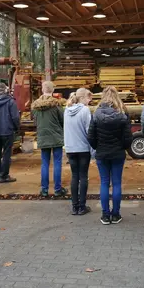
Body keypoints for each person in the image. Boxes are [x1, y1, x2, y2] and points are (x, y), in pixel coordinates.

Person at [88, 86, 132, 225]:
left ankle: (105, 215)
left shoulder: (96, 114)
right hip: (118, 153)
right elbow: (128, 137)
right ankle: (116, 214)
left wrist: (97, 147)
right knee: (117, 183)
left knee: (104, 183)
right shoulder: (122, 115)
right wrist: (123, 147)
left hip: (102, 153)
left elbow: (91, 136)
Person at [32, 81, 67, 197]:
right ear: (53, 91)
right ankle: (57, 189)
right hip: (56, 136)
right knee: (57, 163)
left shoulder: (35, 106)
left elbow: (35, 121)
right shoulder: (56, 105)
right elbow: (63, 121)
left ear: (42, 90)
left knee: (45, 163)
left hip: (43, 136)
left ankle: (44, 189)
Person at [64, 88, 93, 216]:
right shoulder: (85, 110)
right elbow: (89, 131)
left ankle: (74, 206)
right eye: (88, 98)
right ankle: (82, 206)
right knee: (83, 176)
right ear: (83, 98)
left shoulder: (66, 111)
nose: (89, 101)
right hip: (83, 148)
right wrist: (93, 149)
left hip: (71, 148)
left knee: (74, 176)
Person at [0, 83, 20, 183]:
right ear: (6, 90)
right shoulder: (10, 101)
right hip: (7, 130)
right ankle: (4, 176)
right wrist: (16, 127)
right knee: (6, 153)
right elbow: (15, 117)